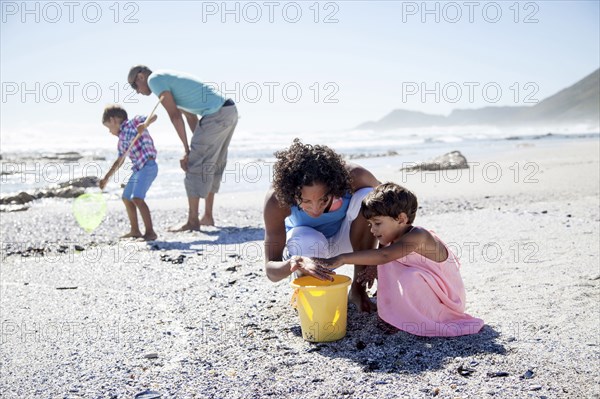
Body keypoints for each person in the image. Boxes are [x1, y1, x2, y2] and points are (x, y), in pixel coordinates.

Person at [315, 183, 484, 336]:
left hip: (446, 299)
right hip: (428, 288)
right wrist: (373, 268)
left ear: (401, 219)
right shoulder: (390, 237)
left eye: (377, 223)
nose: (372, 230)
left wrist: (342, 258)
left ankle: (413, 319)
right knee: (389, 267)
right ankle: (398, 313)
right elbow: (383, 255)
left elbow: (384, 256)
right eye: (370, 225)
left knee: (406, 274)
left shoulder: (418, 236)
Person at [263, 139, 380, 312]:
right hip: (307, 250)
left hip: (347, 239)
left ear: (335, 185)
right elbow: (271, 270)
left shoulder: (355, 176)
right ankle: (311, 294)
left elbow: (391, 208)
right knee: (306, 239)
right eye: (306, 201)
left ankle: (358, 291)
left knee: (370, 196)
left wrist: (376, 258)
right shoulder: (276, 201)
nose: (316, 209)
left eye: (323, 199)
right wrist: (295, 263)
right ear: (292, 193)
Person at [127, 65, 238, 230]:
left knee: (194, 165)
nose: (136, 91)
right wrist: (191, 149)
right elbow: (190, 117)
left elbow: (175, 116)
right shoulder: (168, 80)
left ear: (141, 76)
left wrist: (191, 153)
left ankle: (193, 221)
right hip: (228, 111)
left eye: (134, 85)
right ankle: (207, 216)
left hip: (216, 115)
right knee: (211, 163)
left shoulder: (154, 79)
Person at [99, 105, 158, 241]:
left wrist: (145, 124)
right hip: (138, 169)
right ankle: (135, 230)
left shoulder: (134, 122)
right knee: (126, 197)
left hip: (148, 165)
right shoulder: (121, 141)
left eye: (108, 127)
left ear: (113, 120)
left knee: (137, 198)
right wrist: (106, 178)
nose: (109, 131)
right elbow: (119, 161)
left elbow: (153, 116)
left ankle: (150, 232)